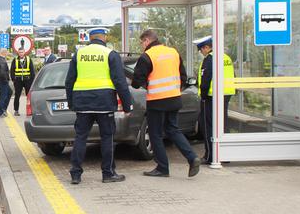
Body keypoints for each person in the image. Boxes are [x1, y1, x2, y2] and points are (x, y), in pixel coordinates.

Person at [65, 28, 133, 184]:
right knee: (107, 138)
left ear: (90, 38)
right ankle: (108, 173)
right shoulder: (110, 54)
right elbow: (120, 82)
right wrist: (127, 105)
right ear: (104, 37)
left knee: (80, 137)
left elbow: (69, 81)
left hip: (82, 102)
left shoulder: (79, 55)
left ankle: (75, 174)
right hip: (104, 102)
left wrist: (71, 102)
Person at [132, 29, 200, 178]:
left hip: (156, 101)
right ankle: (192, 157)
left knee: (155, 134)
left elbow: (136, 81)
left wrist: (146, 84)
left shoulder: (147, 56)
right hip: (174, 98)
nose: (142, 46)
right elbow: (182, 76)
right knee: (173, 130)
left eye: (142, 43)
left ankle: (162, 168)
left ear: (147, 41)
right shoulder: (173, 53)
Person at [193, 36, 236, 164]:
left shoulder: (210, 59)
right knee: (223, 124)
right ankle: (225, 155)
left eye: (201, 50)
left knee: (208, 125)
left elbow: (205, 79)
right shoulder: (226, 57)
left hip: (212, 97)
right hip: (226, 94)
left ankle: (210, 156)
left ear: (207, 47)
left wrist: (203, 96)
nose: (201, 53)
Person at [10, 50, 36, 116]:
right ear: (18, 53)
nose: (21, 53)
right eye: (20, 52)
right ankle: (16, 110)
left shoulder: (28, 59)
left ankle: (30, 110)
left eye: (22, 52)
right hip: (18, 80)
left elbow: (32, 70)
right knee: (17, 96)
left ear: (24, 52)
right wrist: (13, 79)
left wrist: (32, 80)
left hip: (27, 80)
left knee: (29, 96)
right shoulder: (15, 60)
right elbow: (12, 70)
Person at [0, 48, 12, 117]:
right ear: (4, 53)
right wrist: (6, 80)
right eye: (7, 53)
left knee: (9, 92)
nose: (7, 54)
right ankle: (0, 112)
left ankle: (3, 109)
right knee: (3, 96)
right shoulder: (1, 61)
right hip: (2, 81)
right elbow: (2, 72)